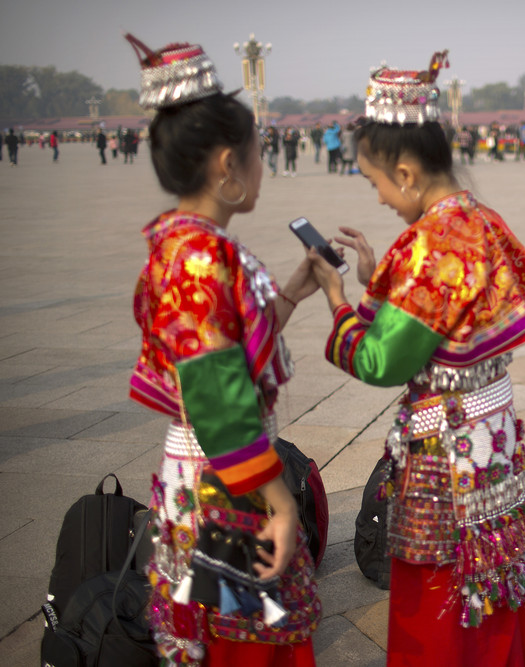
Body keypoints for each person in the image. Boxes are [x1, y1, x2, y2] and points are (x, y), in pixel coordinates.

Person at [308, 52, 525, 665]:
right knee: (489, 571)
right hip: (491, 430)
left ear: (407, 173)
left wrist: (338, 302)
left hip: (447, 447)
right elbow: (455, 320)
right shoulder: (482, 221)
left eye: (377, 182)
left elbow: (382, 362)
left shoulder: (430, 243)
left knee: (441, 591)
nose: (381, 198)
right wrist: (382, 281)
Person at [123, 34, 321, 665]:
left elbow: (228, 355)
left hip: (219, 470)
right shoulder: (201, 257)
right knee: (249, 641)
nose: (263, 165)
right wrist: (281, 498)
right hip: (228, 482)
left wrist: (290, 292)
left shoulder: (182, 245)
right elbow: (215, 391)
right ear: (228, 166)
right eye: (259, 153)